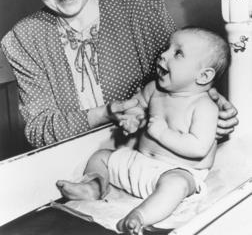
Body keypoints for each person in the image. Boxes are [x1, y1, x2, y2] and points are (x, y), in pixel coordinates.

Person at [1, 0, 237, 149]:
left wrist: (213, 106)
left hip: (151, 152)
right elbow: (39, 130)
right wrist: (105, 113)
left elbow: (184, 78)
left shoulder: (144, 12)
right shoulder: (23, 38)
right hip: (70, 164)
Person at [56, 27, 231, 234]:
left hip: (175, 170)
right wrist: (132, 116)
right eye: (167, 48)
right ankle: (94, 186)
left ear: (203, 76)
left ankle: (140, 215)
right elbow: (136, 104)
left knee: (177, 186)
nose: (163, 54)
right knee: (101, 156)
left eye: (178, 53)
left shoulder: (204, 107)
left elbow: (199, 148)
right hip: (138, 161)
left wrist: (161, 133)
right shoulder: (154, 89)